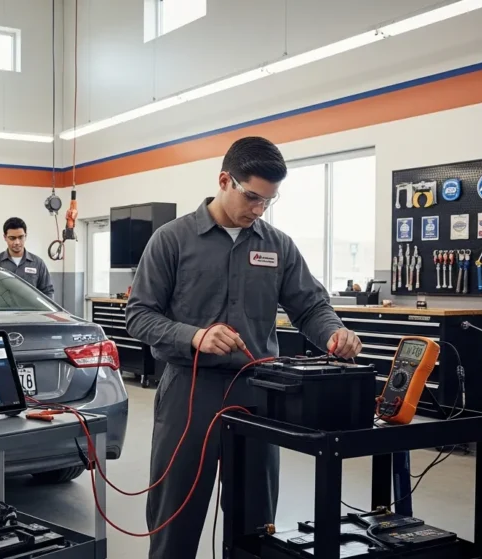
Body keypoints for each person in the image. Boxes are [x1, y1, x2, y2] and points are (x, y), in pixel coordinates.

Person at [125, 136, 362, 558]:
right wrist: (194, 336)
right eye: (252, 197)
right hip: (189, 392)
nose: (258, 209)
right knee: (174, 515)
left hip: (257, 394)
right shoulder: (172, 240)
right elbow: (139, 315)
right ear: (224, 180)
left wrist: (333, 333)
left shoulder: (277, 245)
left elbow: (310, 306)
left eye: (267, 202)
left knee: (255, 522)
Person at [0, 217, 55, 298]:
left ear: (25, 236)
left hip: (31, 310)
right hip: (3, 310)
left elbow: (47, 291)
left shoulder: (38, 263)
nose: (17, 242)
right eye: (12, 238)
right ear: (5, 237)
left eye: (20, 237)